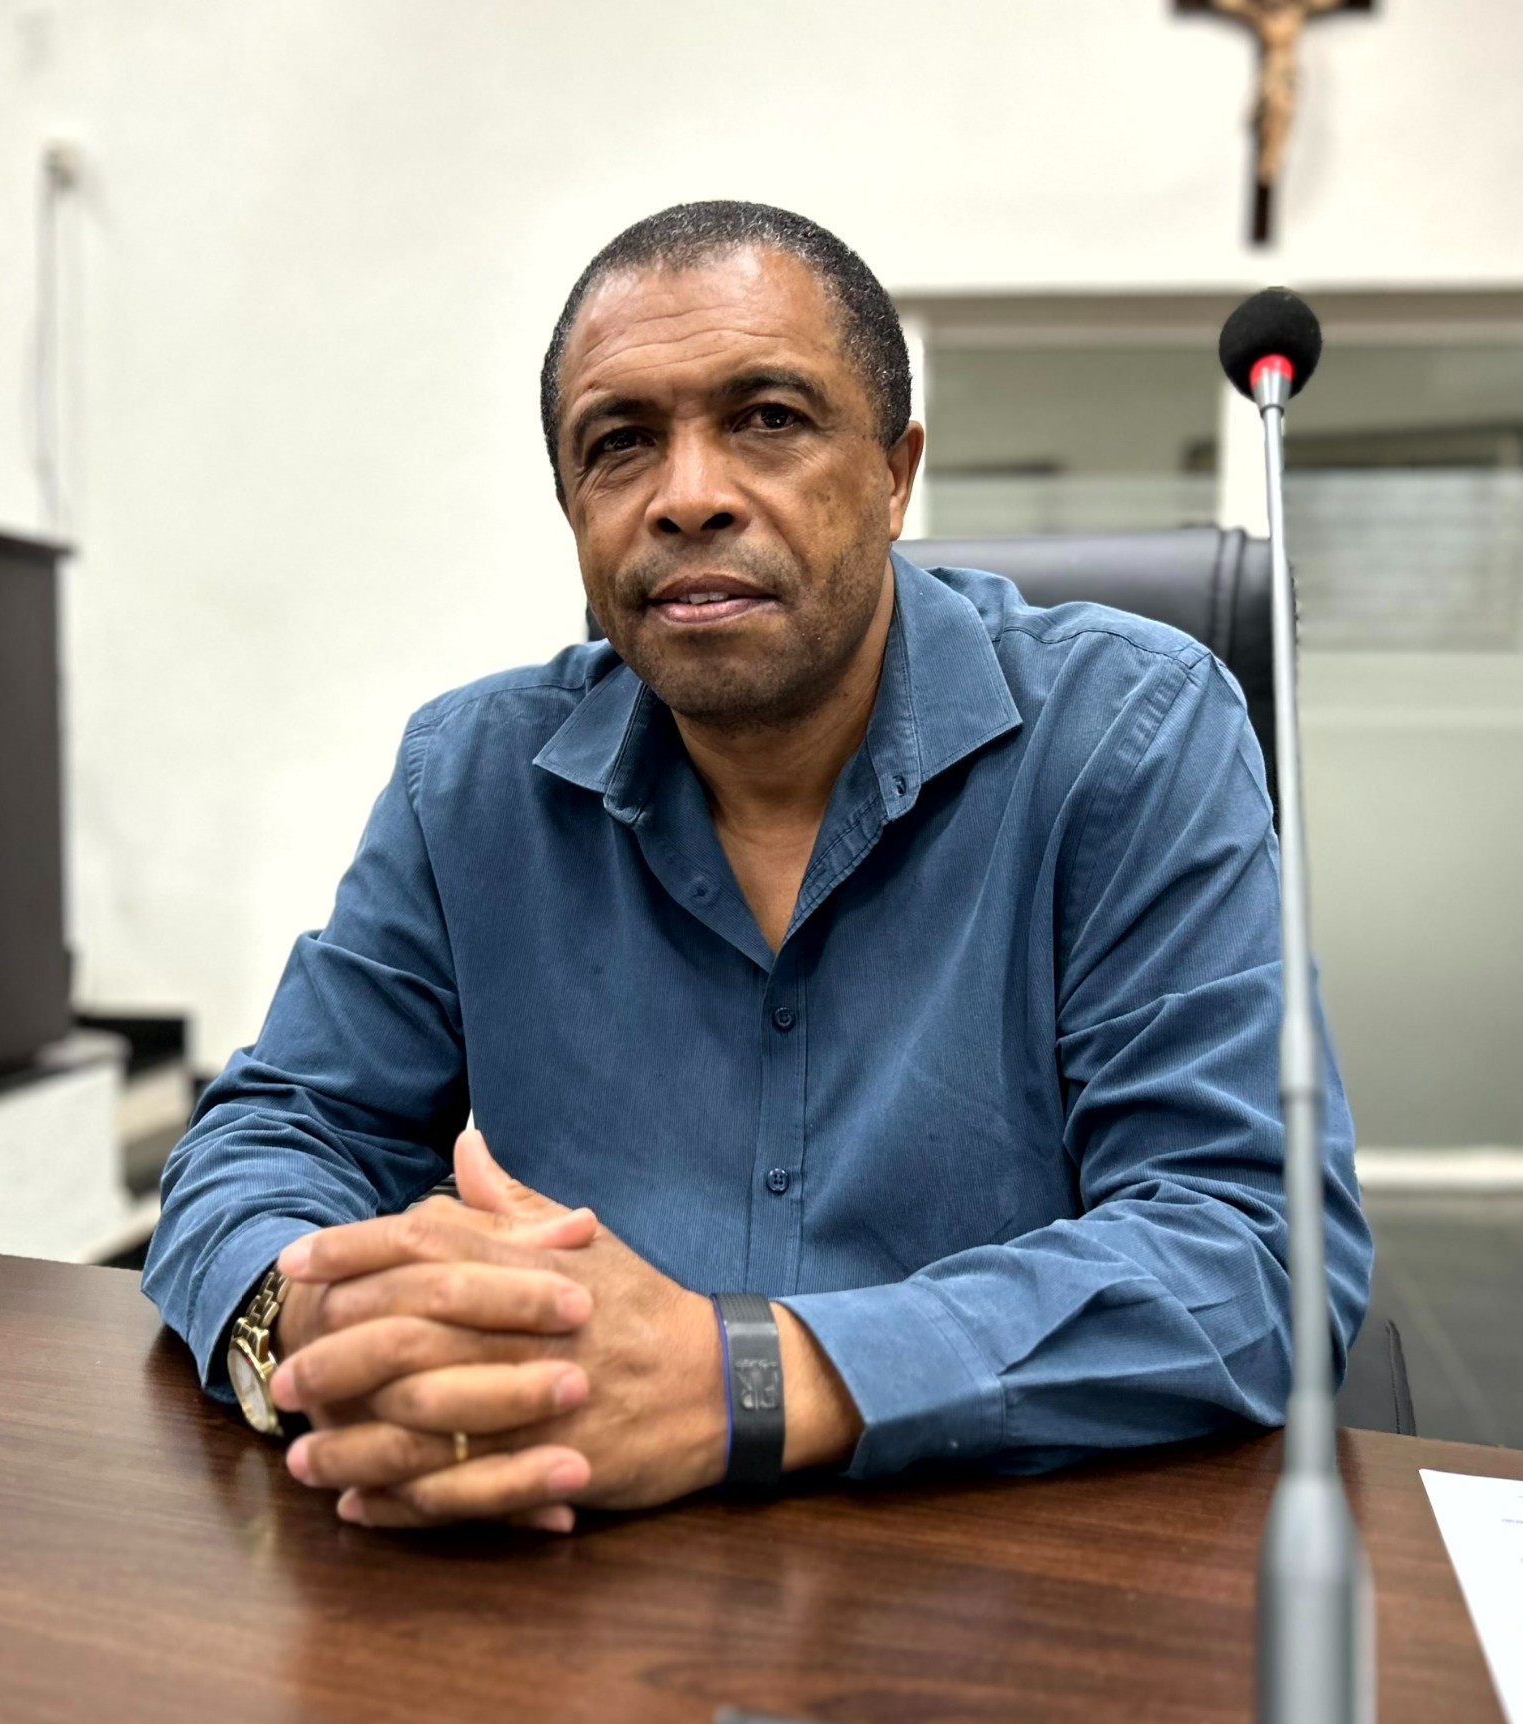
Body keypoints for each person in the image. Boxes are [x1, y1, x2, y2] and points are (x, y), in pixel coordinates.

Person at [143, 200, 1370, 1531]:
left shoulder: (1127, 734)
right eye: (619, 444)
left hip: (995, 1570)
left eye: (768, 419)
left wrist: (741, 1376)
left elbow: (1247, 1252)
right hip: (553, 1569)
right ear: (572, 508)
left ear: (895, 475)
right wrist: (316, 1331)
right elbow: (271, 1138)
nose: (687, 495)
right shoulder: (472, 777)